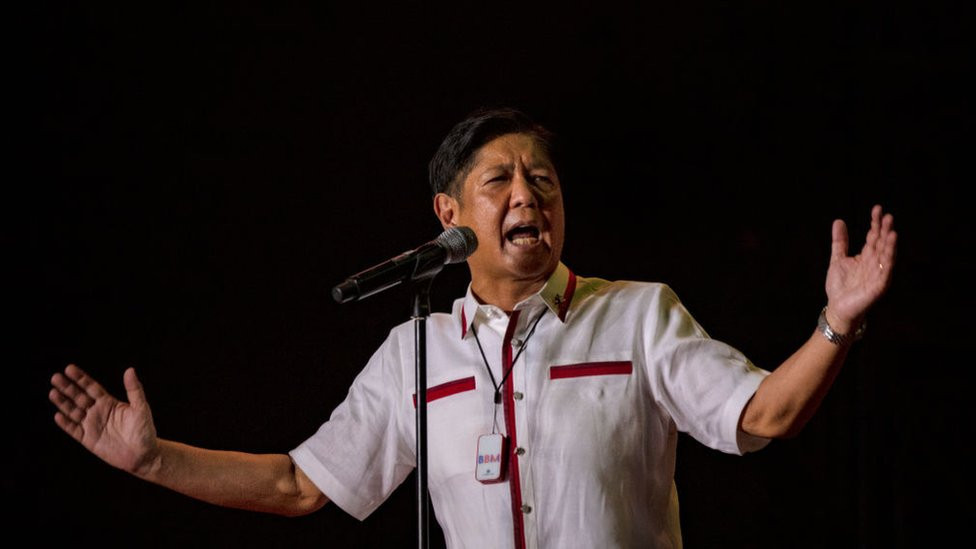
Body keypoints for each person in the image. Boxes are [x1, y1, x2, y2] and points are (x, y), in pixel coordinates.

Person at [49, 107, 897, 548]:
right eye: (501, 180)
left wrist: (834, 323)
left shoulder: (637, 315)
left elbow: (765, 414)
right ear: (449, 214)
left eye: (545, 179)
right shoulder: (415, 351)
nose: (530, 194)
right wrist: (155, 461)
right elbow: (298, 485)